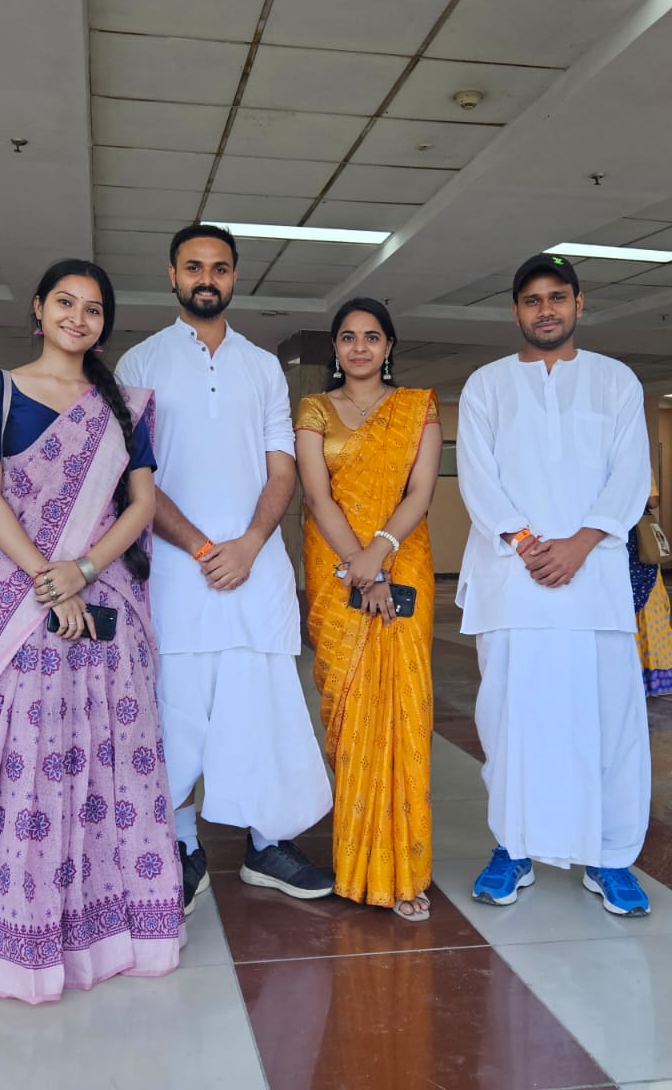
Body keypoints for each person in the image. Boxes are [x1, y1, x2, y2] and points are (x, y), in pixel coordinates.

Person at [0, 259, 182, 1001]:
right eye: (65, 302)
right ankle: (18, 938)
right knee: (24, 758)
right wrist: (49, 577)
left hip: (104, 601)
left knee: (112, 758)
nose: (78, 317)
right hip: (20, 599)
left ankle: (117, 930)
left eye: (93, 308)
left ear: (104, 325)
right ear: (38, 309)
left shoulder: (125, 406)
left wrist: (84, 570)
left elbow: (140, 506)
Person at [116, 224, 333, 913]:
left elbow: (282, 468)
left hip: (255, 570)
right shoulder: (140, 362)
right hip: (178, 577)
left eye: (218, 267)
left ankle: (269, 845)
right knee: (176, 717)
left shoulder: (263, 366)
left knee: (262, 711)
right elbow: (137, 476)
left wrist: (251, 542)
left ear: (235, 276)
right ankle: (180, 847)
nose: (205, 278)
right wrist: (205, 548)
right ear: (172, 275)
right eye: (193, 266)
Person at [457, 253, 653, 917]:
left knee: (610, 725)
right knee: (510, 725)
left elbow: (630, 475)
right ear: (516, 310)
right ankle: (512, 848)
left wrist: (580, 544)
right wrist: (526, 542)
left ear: (578, 303)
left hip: (594, 584)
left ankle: (611, 857)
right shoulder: (486, 385)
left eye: (557, 297)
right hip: (511, 586)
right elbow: (478, 477)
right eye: (533, 299)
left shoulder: (615, 381)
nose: (546, 310)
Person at [295, 298, 440, 921]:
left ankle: (404, 873)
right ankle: (357, 867)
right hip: (337, 568)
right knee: (351, 712)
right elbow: (316, 495)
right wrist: (360, 564)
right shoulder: (313, 409)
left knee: (404, 710)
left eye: (372, 337)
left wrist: (379, 555)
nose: (360, 347)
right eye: (348, 337)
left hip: (402, 562)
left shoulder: (418, 408)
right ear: (335, 347)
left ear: (389, 346)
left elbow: (420, 492)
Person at [629, 478, 672, 697]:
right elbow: (653, 501)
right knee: (650, 607)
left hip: (609, 537)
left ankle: (629, 673)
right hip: (636, 538)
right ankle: (651, 670)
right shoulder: (638, 462)